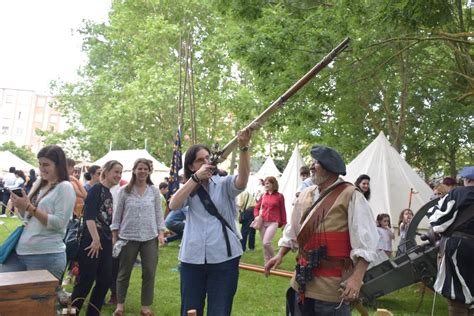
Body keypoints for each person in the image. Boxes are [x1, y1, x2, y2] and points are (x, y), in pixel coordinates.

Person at [264, 145, 378, 316]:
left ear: (329, 168)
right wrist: (280, 254)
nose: (311, 166)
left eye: (316, 163)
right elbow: (293, 231)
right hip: (301, 281)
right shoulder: (305, 194)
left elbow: (366, 244)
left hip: (332, 287)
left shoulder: (351, 195)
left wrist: (356, 279)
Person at [169, 128, 252, 316]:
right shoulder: (188, 186)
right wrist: (196, 179)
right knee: (190, 310)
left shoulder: (223, 183)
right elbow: (174, 204)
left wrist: (244, 148)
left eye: (208, 158)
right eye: (200, 160)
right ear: (191, 166)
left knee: (220, 311)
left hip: (224, 256)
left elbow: (242, 181)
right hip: (192, 258)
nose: (207, 162)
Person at [0, 145, 75, 282]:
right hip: (21, 250)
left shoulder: (65, 187)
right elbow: (27, 218)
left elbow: (59, 223)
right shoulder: (39, 182)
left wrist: (29, 207)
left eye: (46, 164)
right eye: (39, 163)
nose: (41, 168)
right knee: (8, 296)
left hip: (46, 254)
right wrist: (21, 206)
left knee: (36, 302)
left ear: (58, 165)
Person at [111, 158, 166, 316]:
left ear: (149, 171)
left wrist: (161, 232)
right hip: (128, 236)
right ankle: (120, 305)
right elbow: (117, 213)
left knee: (149, 271)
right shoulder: (124, 191)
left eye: (146, 169)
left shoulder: (154, 191)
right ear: (134, 170)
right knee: (124, 272)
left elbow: (158, 213)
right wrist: (115, 233)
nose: (142, 171)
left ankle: (145, 306)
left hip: (149, 237)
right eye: (140, 168)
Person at [71, 160, 123, 316]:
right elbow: (89, 216)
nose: (118, 176)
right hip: (92, 242)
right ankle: (72, 311)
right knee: (85, 280)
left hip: (105, 242)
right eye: (116, 171)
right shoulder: (96, 189)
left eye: (120, 172)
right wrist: (95, 239)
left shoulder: (109, 193)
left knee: (105, 280)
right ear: (105, 172)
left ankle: (93, 313)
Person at [427, 166, 474, 315]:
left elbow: (439, 221)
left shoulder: (458, 193)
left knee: (456, 291)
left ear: (467, 180)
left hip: (460, 246)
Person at [254, 176, 286, 264]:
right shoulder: (263, 195)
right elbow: (256, 208)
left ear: (273, 184)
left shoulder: (279, 196)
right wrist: (256, 216)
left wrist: (284, 222)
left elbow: (282, 210)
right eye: (265, 183)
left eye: (268, 183)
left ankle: (275, 259)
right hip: (262, 222)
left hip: (273, 222)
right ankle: (267, 263)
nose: (265, 185)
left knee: (266, 242)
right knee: (265, 246)